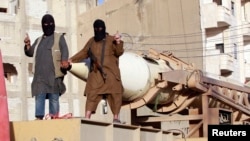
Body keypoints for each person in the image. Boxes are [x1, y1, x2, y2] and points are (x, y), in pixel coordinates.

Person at [69, 19, 124, 123]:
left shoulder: (111, 39)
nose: (98, 30)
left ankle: (116, 117)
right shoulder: (91, 41)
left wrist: (118, 42)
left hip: (111, 73)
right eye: (96, 28)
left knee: (115, 93)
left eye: (100, 28)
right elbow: (83, 52)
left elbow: (119, 52)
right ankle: (87, 117)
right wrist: (71, 60)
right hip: (96, 73)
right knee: (91, 94)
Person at [23, 14, 70, 120]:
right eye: (45, 24)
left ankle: (54, 118)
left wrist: (64, 60)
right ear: (42, 26)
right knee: (39, 96)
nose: (48, 25)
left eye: (50, 23)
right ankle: (39, 118)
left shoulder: (59, 37)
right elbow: (30, 52)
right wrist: (27, 45)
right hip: (40, 77)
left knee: (54, 97)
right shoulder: (39, 40)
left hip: (54, 75)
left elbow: (65, 50)